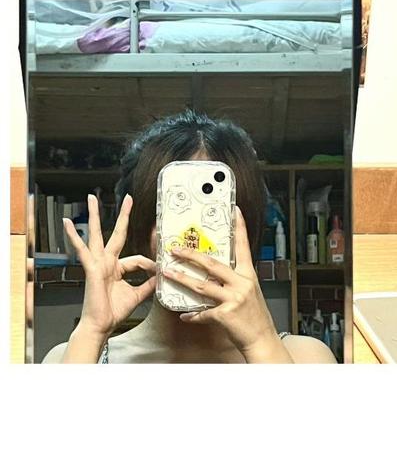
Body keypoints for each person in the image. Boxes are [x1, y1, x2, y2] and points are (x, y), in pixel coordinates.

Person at [42, 111, 337, 364]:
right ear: (138, 227)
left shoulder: (305, 358)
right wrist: (91, 331)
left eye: (213, 216)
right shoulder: (71, 358)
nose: (192, 240)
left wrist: (261, 342)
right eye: (175, 213)